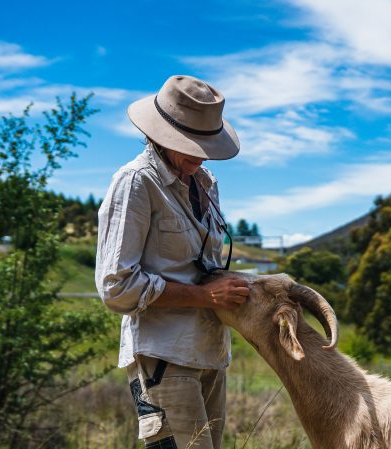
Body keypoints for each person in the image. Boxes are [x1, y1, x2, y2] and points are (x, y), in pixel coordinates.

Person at [95, 75, 250, 449]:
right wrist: (205, 298)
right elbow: (116, 287)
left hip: (211, 353)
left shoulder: (206, 183)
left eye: (205, 145)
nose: (199, 156)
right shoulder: (136, 183)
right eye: (189, 145)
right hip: (163, 358)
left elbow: (203, 267)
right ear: (159, 134)